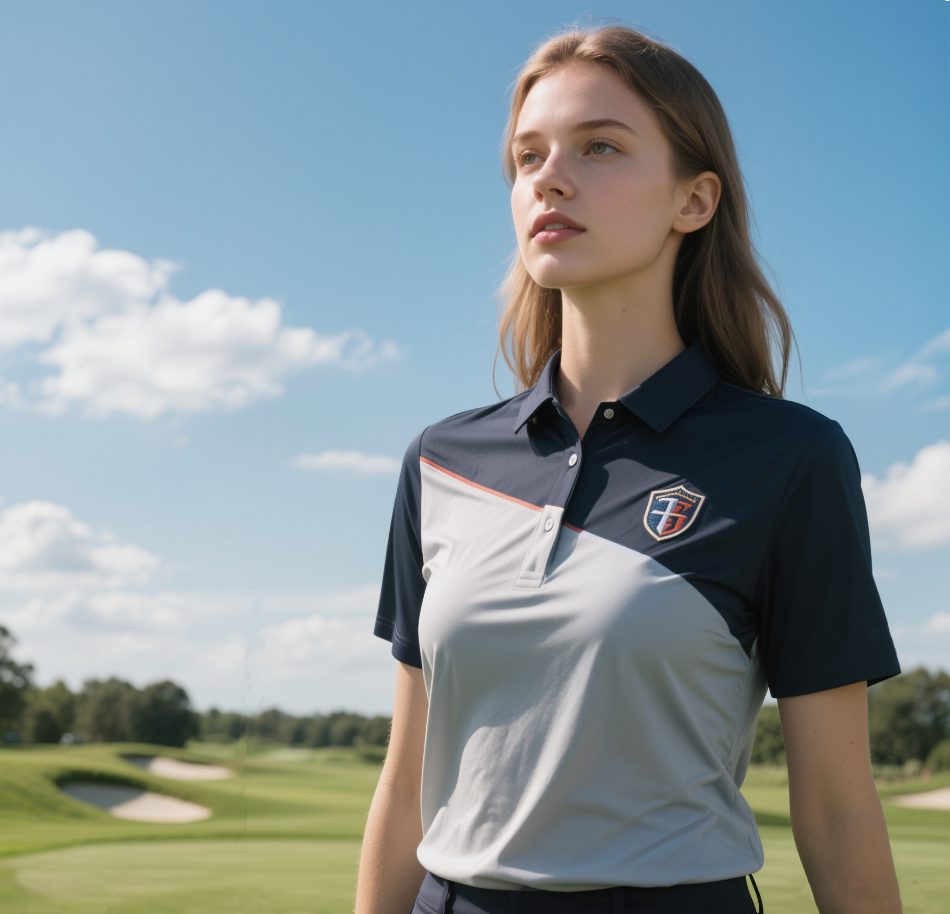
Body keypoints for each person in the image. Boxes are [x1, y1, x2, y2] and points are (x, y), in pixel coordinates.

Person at [356, 25, 902, 914]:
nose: (550, 178)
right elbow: (403, 783)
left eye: (600, 147)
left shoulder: (791, 459)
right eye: (528, 156)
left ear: (694, 200)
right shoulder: (440, 461)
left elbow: (839, 810)